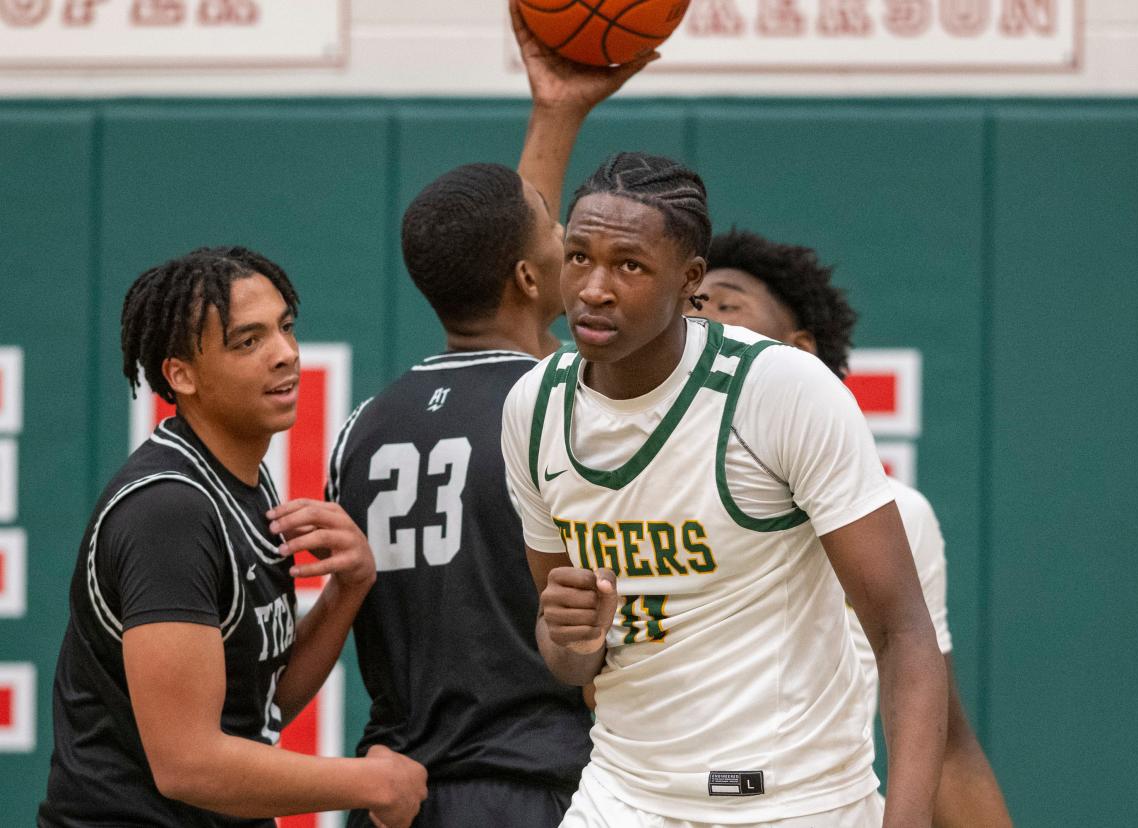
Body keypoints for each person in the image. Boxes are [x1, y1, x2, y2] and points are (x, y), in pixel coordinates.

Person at [501, 153, 947, 828]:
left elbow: (903, 631)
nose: (593, 287)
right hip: (622, 798)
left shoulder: (780, 390)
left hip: (793, 804)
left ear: (689, 282)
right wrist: (565, 634)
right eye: (579, 256)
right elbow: (572, 658)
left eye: (629, 265)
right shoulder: (532, 408)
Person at [322, 7, 654, 826]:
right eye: (559, 238)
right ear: (530, 277)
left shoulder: (361, 427)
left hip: (397, 791)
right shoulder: (568, 404)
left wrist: (556, 111)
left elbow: (509, 234)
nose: (568, 241)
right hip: (535, 785)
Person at [38, 248, 426, 828]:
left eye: (285, 328)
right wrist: (370, 782)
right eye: (248, 341)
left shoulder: (241, 483)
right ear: (181, 375)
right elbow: (188, 764)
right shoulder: (169, 513)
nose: (285, 354)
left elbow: (257, 708)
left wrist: (349, 587)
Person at [691, 228, 1013, 827]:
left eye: (726, 302)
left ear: (801, 351)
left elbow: (945, 746)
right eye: (690, 306)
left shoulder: (897, 515)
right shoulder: (630, 483)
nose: (702, 316)